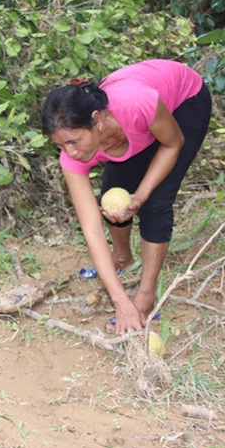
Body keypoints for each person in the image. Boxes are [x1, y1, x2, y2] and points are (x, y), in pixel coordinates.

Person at [40, 59, 211, 335]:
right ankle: (123, 258)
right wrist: (119, 300)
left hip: (184, 102)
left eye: (73, 141)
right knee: (112, 194)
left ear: (96, 121)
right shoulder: (72, 157)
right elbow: (92, 229)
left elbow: (173, 143)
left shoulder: (137, 104)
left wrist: (141, 196)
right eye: (60, 145)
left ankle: (146, 297)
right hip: (134, 125)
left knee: (156, 201)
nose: (68, 152)